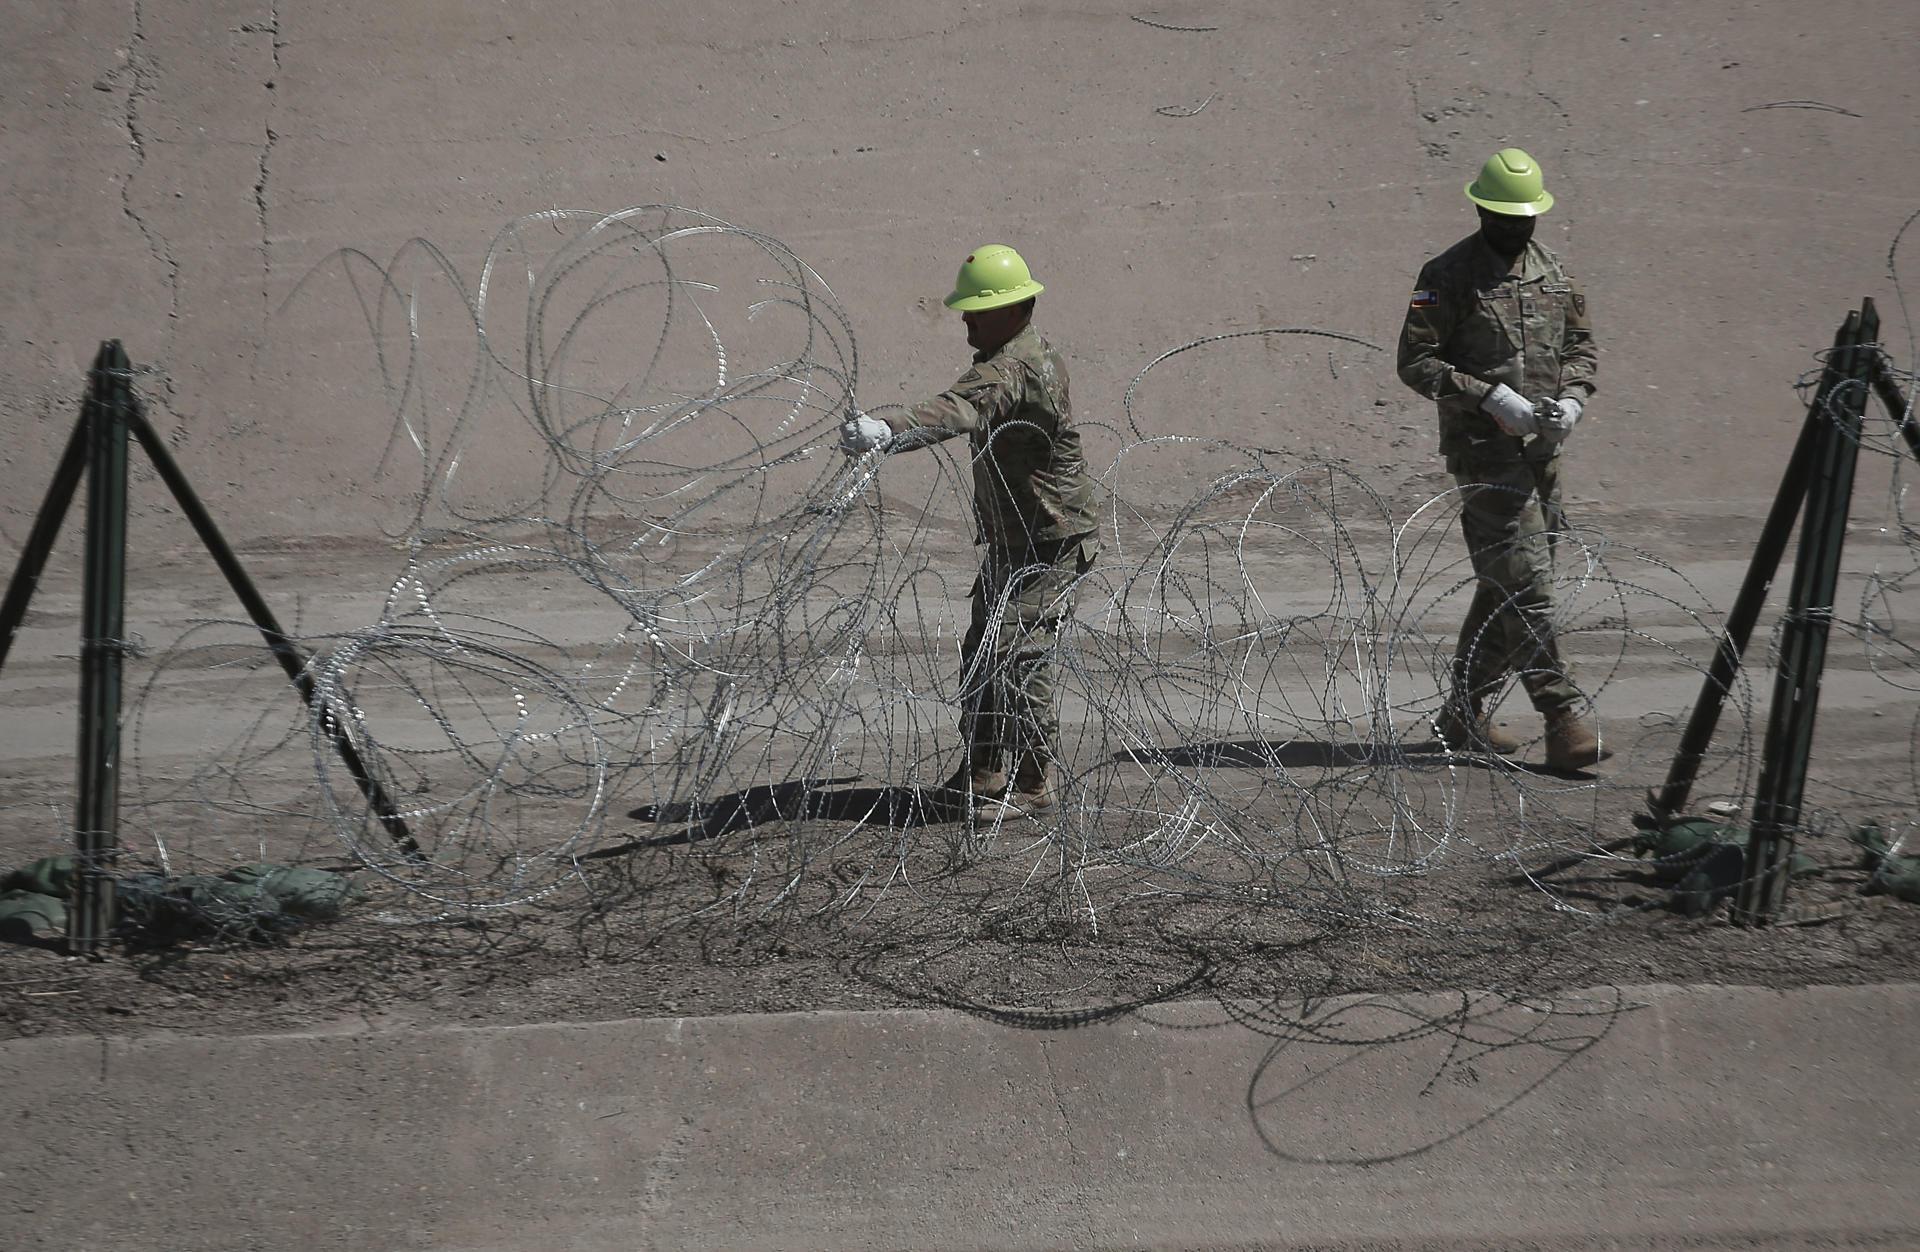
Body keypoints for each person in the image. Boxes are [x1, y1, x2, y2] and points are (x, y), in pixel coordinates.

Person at [841, 244, 1100, 819]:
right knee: (983, 651)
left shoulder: (1014, 369)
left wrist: (887, 428)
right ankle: (982, 770)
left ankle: (1033, 781)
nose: (965, 320)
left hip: (1050, 539)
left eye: (976, 310)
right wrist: (891, 435)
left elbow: (959, 408)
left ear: (1010, 309)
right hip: (1015, 538)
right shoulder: (1013, 356)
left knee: (1016, 656)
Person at [1395, 148, 1610, 771]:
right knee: (1528, 587)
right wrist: (1489, 397)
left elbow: (1581, 347)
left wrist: (1573, 400)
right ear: (1482, 210)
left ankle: (1463, 713)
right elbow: (1415, 361)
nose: (1517, 226)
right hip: (1485, 456)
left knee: (1504, 585)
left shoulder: (1553, 271)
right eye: (1505, 216)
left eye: (1525, 216)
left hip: (1542, 454)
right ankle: (1562, 718)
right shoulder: (1447, 275)